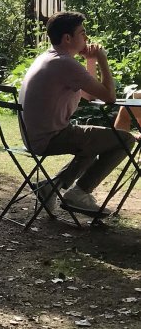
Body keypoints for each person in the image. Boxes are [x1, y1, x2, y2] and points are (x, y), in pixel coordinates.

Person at [19, 11, 135, 214]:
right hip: (50, 137)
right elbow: (109, 97)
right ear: (67, 38)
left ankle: (51, 187)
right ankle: (80, 192)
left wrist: (90, 60)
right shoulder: (65, 63)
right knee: (125, 140)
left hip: (36, 136)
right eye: (82, 33)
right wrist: (102, 60)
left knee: (94, 142)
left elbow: (89, 96)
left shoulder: (51, 58)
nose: (87, 38)